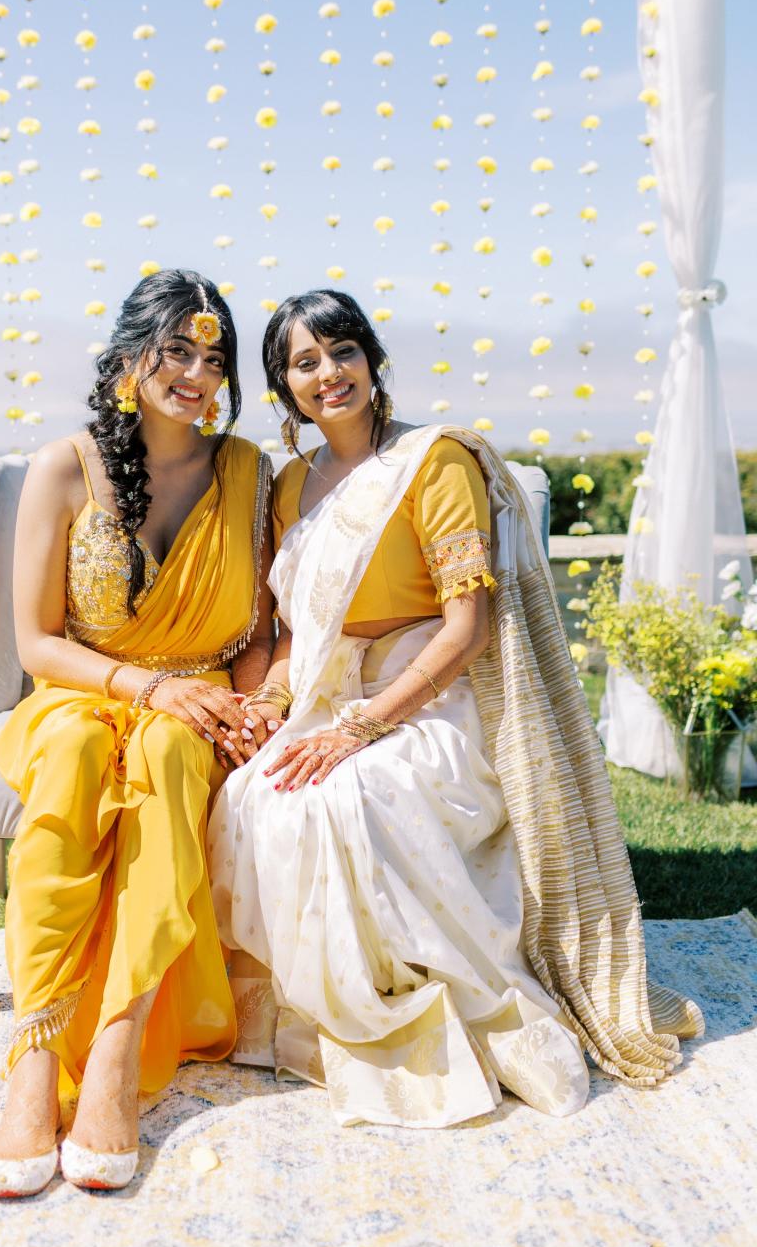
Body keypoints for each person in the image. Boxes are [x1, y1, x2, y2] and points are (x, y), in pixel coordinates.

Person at [210, 288, 703, 1130]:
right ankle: (309, 1019)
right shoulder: (291, 481)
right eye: (304, 362)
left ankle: (415, 1021)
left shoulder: (434, 461)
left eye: (342, 351)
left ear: (372, 359)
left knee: (349, 797)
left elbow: (467, 630)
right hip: (331, 690)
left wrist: (363, 727)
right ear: (283, 387)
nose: (328, 373)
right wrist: (270, 705)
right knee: (254, 790)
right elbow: (298, 629)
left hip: (431, 700)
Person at [0, 270, 274, 1197]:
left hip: (197, 699)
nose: (197, 372)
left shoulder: (245, 470)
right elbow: (36, 643)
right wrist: (142, 684)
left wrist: (255, 708)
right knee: (69, 754)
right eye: (177, 351)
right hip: (83, 691)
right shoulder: (63, 467)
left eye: (214, 356)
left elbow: (259, 630)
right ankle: (35, 1062)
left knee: (170, 756)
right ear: (126, 360)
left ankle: (113, 1053)